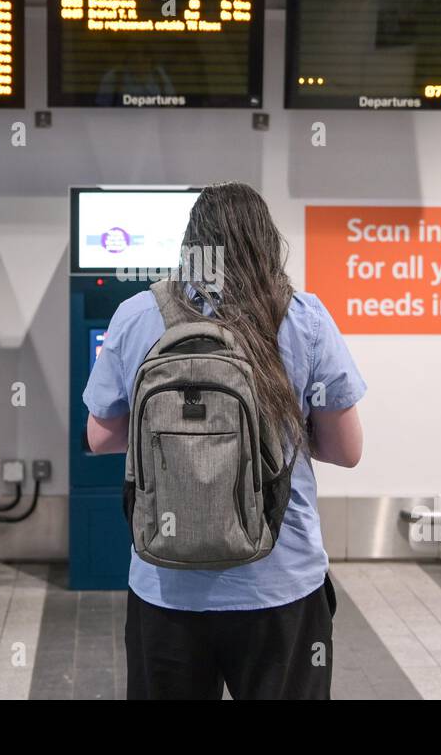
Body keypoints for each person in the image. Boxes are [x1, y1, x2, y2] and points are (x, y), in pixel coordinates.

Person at [83, 182, 366, 700]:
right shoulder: (304, 318)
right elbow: (346, 450)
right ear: (267, 242)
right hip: (280, 583)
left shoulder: (137, 315)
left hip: (166, 584)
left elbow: (101, 438)